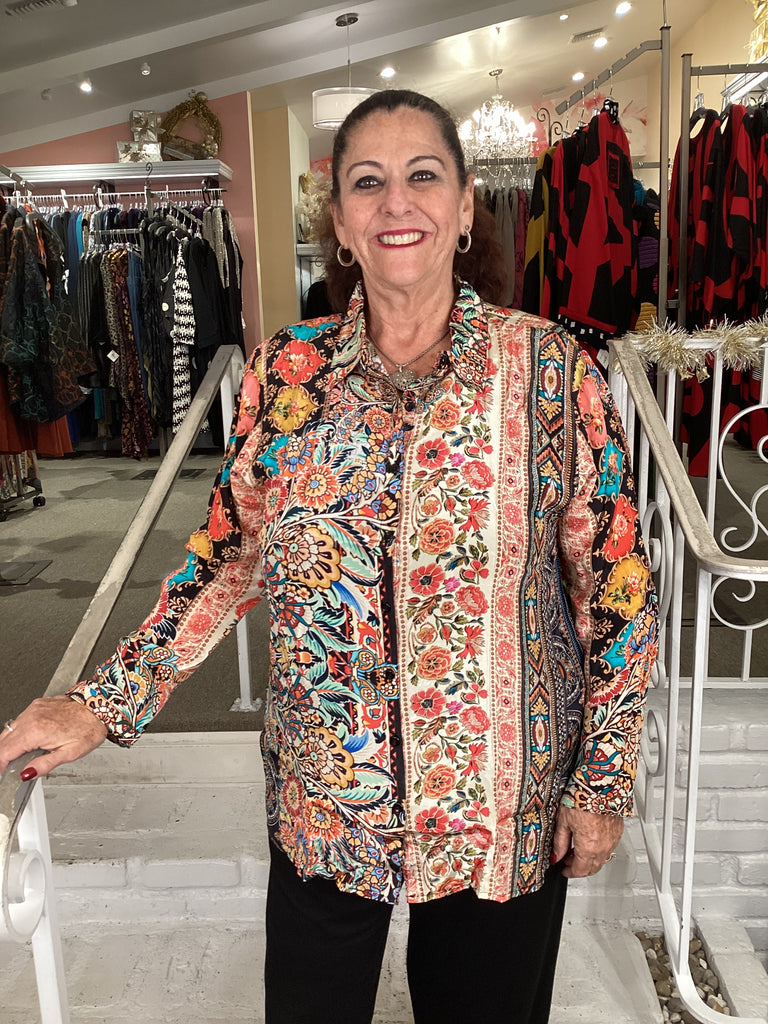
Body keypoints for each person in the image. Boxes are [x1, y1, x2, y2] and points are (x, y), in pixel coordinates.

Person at [0, 90, 658, 1024]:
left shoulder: (549, 370)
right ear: (341, 224)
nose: (398, 203)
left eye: (423, 175)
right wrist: (104, 702)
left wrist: (602, 781)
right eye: (368, 183)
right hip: (326, 801)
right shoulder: (286, 373)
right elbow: (227, 556)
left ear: (465, 208)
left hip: (499, 805)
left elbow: (617, 591)